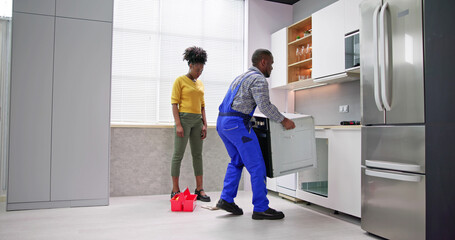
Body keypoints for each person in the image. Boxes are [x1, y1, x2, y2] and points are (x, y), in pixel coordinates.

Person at [216, 49, 295, 220]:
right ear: (264, 62)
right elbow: (265, 106)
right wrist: (284, 120)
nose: (272, 68)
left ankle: (226, 199)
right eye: (271, 64)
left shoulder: (241, 77)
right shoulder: (259, 79)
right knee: (257, 165)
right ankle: (261, 208)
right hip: (236, 124)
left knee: (237, 161)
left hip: (222, 123)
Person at [170, 46, 210, 202]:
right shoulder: (180, 81)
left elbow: (202, 106)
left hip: (197, 121)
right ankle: (175, 190)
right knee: (177, 155)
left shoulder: (200, 84)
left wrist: (205, 124)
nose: (199, 72)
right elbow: (174, 104)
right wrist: (178, 124)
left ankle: (199, 189)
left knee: (197, 155)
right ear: (190, 65)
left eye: (202, 69)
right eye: (197, 69)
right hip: (184, 120)